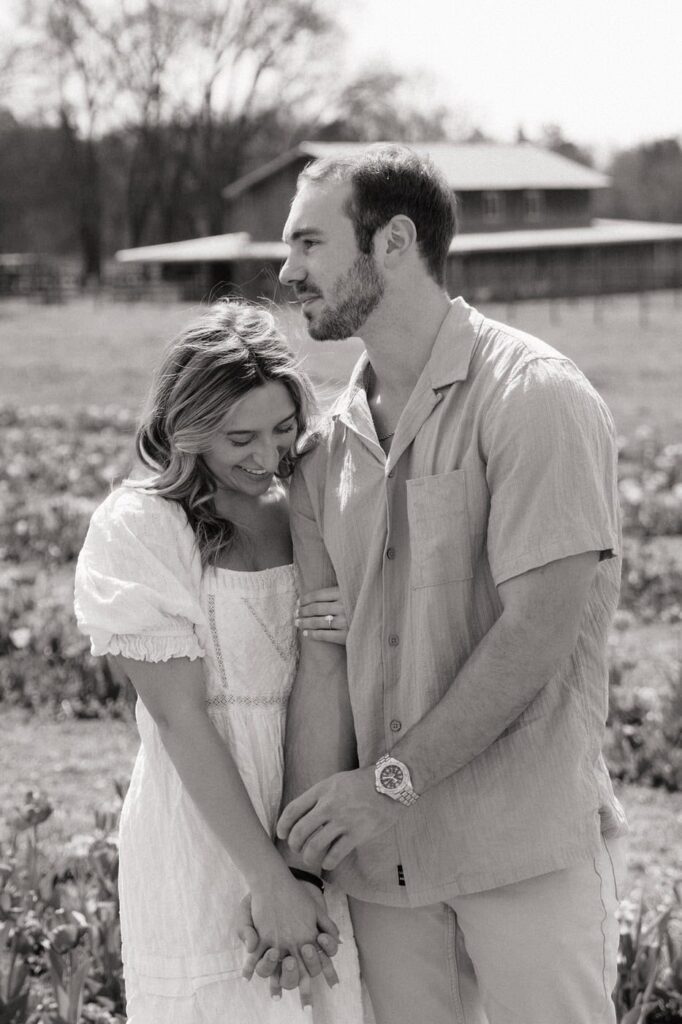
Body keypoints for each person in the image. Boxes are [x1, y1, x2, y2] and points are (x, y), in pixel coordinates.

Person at [240, 145, 629, 1024]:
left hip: (520, 846)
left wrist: (385, 786)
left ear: (394, 241)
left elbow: (539, 631)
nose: (285, 268)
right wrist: (302, 859)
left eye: (308, 243)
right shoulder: (322, 452)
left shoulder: (535, 397)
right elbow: (326, 659)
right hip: (385, 874)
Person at [73, 299, 368, 1023]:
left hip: (313, 807)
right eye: (240, 437)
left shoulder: (308, 506)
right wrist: (268, 881)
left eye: (281, 429)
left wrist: (359, 619)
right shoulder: (142, 525)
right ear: (187, 429)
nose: (266, 457)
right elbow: (180, 720)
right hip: (203, 824)